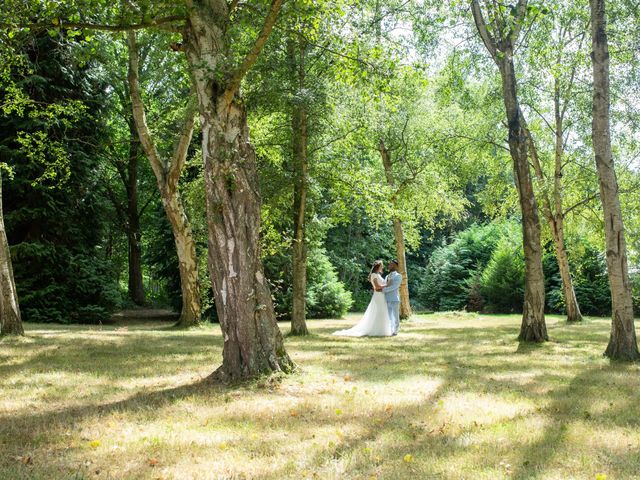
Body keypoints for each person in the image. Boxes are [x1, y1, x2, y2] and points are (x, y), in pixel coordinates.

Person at [332, 260, 393, 337]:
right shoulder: (374, 275)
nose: (382, 267)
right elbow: (377, 287)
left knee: (381, 312)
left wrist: (386, 284)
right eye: (381, 266)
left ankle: (381, 330)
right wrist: (387, 285)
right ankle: (376, 330)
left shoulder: (378, 275)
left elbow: (380, 285)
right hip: (378, 296)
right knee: (378, 312)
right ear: (378, 267)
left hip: (381, 295)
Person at [383, 259, 402, 335]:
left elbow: (394, 287)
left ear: (396, 266)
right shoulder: (387, 276)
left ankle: (396, 330)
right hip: (386, 299)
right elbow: (385, 284)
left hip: (394, 299)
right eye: (389, 264)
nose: (390, 266)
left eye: (392, 264)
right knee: (389, 316)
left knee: (395, 316)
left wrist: (383, 290)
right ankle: (390, 330)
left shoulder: (398, 276)